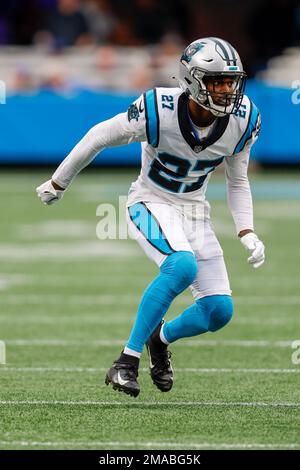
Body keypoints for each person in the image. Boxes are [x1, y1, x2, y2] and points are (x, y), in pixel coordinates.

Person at [36, 37, 265, 398]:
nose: (225, 90)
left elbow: (238, 180)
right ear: (192, 80)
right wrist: (58, 181)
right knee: (181, 266)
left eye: (230, 81)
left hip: (194, 210)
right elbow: (99, 135)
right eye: (216, 81)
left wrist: (246, 230)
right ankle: (125, 362)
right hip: (150, 201)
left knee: (219, 310)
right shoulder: (158, 108)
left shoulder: (244, 119)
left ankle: (160, 338)